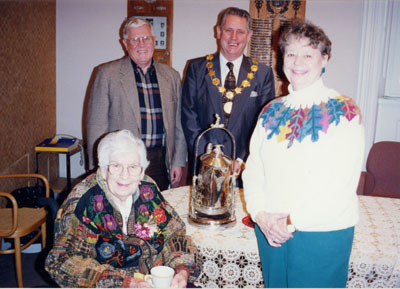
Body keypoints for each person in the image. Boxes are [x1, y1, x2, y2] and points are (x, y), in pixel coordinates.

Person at [242, 20, 365, 287]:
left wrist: (290, 222)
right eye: (291, 53)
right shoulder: (270, 110)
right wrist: (260, 214)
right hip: (270, 232)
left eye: (308, 54)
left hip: (320, 235)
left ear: (325, 59)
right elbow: (254, 169)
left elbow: (340, 182)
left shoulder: (343, 111)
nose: (298, 62)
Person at [45, 129, 201, 288]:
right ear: (103, 169)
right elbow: (62, 261)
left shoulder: (148, 190)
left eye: (133, 167)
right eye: (116, 166)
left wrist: (181, 269)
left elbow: (174, 235)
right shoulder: (83, 204)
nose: (125, 175)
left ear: (141, 172)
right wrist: (124, 282)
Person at [86, 17, 186, 191]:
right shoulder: (107, 74)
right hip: (121, 165)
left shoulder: (172, 76)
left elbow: (179, 124)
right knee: (123, 214)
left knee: (156, 213)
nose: (142, 44)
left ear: (154, 40)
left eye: (146, 38)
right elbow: (96, 126)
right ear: (125, 43)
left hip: (160, 162)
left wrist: (177, 161)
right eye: (135, 39)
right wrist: (100, 167)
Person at [181, 7, 275, 178]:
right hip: (204, 164)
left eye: (240, 32)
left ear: (249, 35)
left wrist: (242, 158)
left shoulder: (263, 74)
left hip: (244, 168)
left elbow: (264, 123)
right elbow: (189, 117)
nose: (234, 37)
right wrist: (209, 157)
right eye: (228, 30)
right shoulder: (196, 68)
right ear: (218, 32)